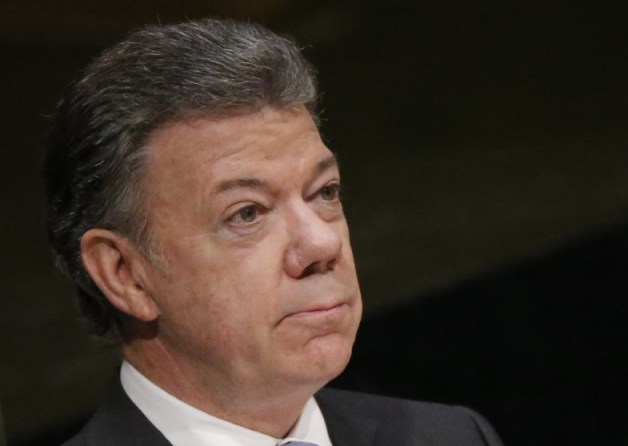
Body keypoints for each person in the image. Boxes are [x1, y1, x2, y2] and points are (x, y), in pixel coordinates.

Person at [43, 18, 504, 446]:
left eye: (324, 192)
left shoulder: (451, 436)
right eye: (247, 213)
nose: (322, 244)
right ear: (126, 274)